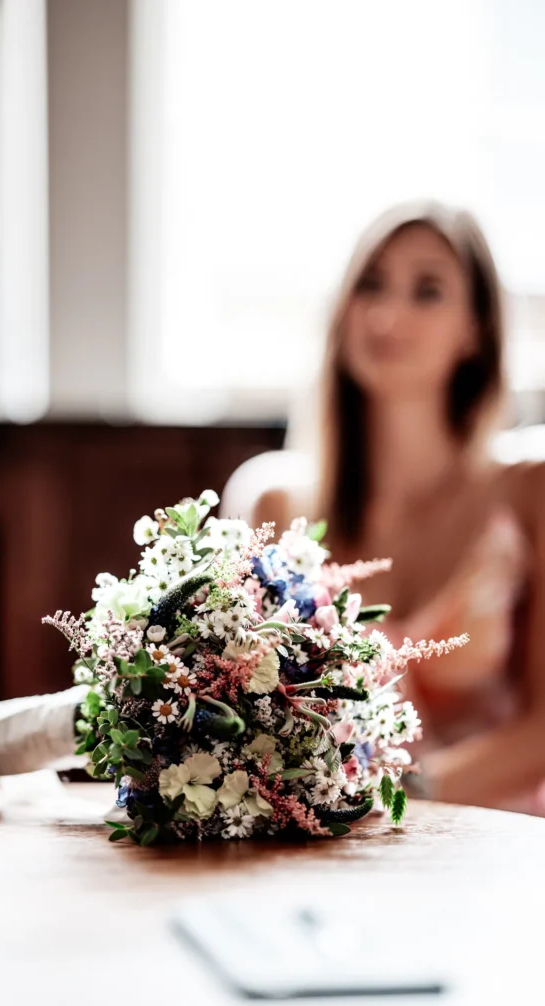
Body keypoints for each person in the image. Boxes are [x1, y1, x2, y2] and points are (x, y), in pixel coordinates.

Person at [223, 200, 545, 813]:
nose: (387, 313)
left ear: (476, 328)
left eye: (428, 291)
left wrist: (391, 797)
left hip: (498, 852)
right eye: (370, 284)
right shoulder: (269, 500)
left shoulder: (530, 491)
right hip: (325, 851)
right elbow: (237, 712)